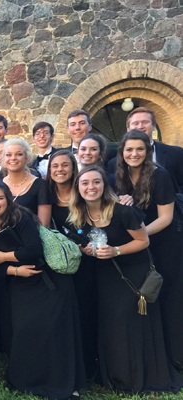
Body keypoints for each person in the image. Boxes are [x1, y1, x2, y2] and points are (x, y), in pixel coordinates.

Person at [69, 165, 183, 393]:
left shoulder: (123, 211)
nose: (91, 187)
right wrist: (87, 250)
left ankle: (141, 376)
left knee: (131, 323)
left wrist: (115, 251)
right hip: (105, 276)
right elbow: (83, 244)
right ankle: (115, 376)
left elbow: (144, 242)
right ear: (78, 188)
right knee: (112, 324)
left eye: (96, 182)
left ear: (104, 185)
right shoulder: (79, 216)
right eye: (85, 183)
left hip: (133, 273)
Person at [0, 181, 85, 399]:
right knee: (25, 331)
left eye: (0, 198)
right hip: (21, 281)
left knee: (53, 333)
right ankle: (26, 380)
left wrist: (3, 257)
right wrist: (13, 271)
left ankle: (62, 381)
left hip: (49, 280)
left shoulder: (20, 218)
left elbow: (33, 250)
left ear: (8, 200)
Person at [114, 129, 183, 366]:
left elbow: (166, 218)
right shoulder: (119, 174)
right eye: (129, 149)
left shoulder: (160, 176)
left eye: (140, 149)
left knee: (168, 294)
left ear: (148, 150)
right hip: (138, 242)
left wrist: (140, 237)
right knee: (147, 292)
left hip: (164, 242)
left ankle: (175, 355)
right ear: (122, 152)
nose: (134, 154)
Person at [46, 150, 99, 380]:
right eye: (55, 166)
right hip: (60, 264)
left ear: (73, 168)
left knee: (86, 310)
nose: (59, 170)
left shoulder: (84, 192)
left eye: (64, 165)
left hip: (87, 262)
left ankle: (89, 364)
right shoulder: (46, 195)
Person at [108, 106, 183, 190]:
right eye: (135, 123)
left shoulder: (176, 153)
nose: (140, 126)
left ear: (154, 126)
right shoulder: (113, 163)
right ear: (128, 129)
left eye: (145, 122)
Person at [0, 137, 52, 227]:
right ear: (4, 158)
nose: (13, 158)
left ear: (26, 158)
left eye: (19, 154)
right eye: (8, 155)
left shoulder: (40, 185)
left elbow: (44, 225)